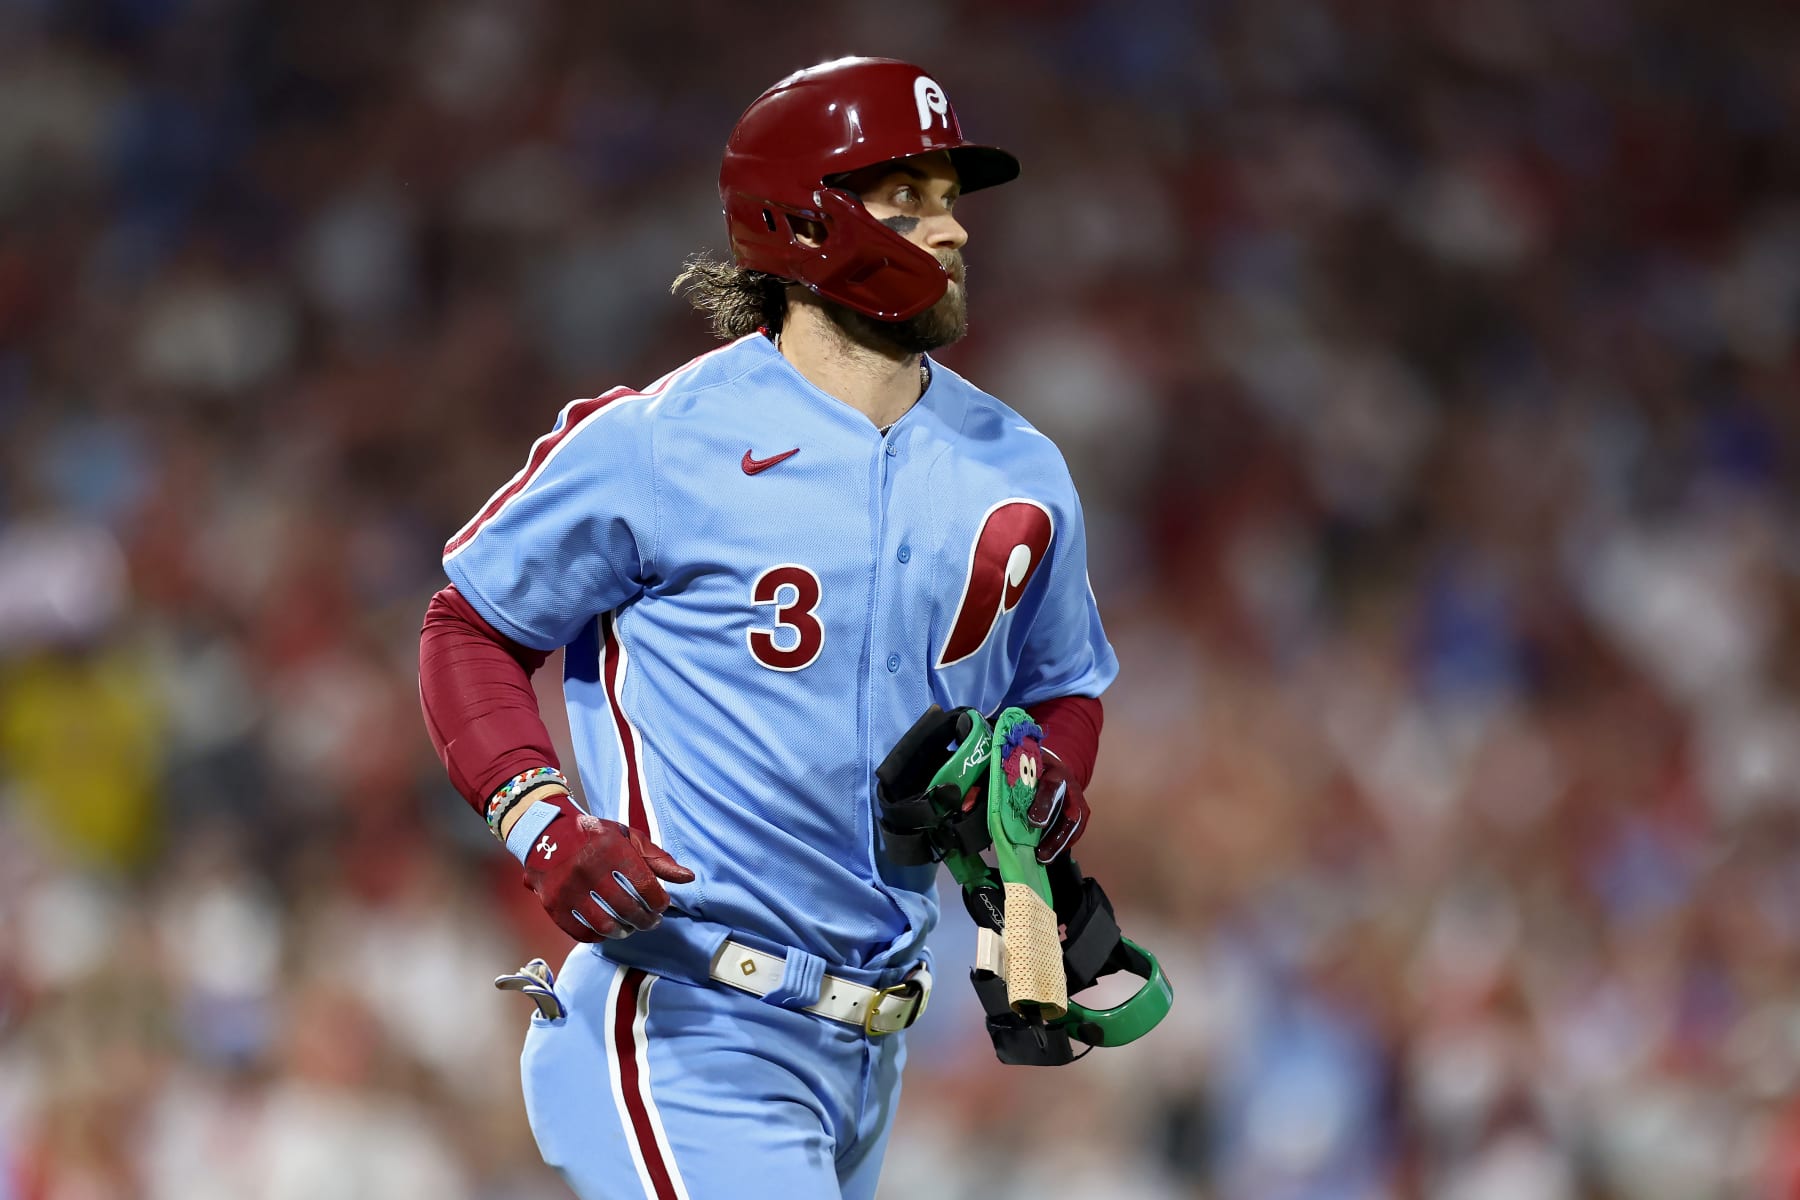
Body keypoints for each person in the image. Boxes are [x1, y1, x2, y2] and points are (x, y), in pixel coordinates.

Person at [418, 55, 1116, 1200]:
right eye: (910, 200)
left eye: (950, 200)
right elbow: (469, 625)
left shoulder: (1021, 470)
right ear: (803, 218)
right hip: (689, 1009)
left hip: (874, 1046)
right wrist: (538, 814)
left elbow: (1064, 686)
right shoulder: (659, 440)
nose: (952, 231)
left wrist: (1045, 779)